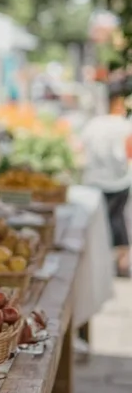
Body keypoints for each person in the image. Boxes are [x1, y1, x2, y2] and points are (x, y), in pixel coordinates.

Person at [81, 93, 132, 276]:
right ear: (118, 104)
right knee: (117, 219)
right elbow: (129, 150)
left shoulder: (94, 124)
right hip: (119, 180)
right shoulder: (125, 125)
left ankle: (98, 266)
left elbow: (80, 148)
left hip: (95, 181)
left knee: (97, 223)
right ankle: (122, 264)